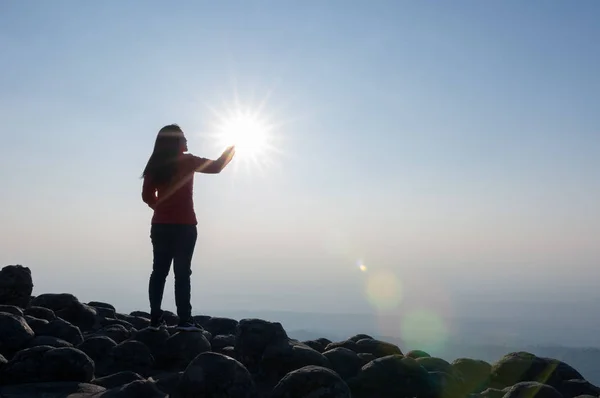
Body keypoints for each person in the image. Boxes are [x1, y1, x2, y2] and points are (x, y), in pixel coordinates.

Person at [141, 124, 235, 331]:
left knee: (159, 271)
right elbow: (218, 166)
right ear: (176, 142)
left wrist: (161, 207)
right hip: (185, 226)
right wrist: (232, 147)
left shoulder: (154, 165)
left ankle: (155, 318)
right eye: (183, 137)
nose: (187, 141)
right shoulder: (189, 161)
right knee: (182, 273)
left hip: (160, 226)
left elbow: (146, 195)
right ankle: (185, 320)